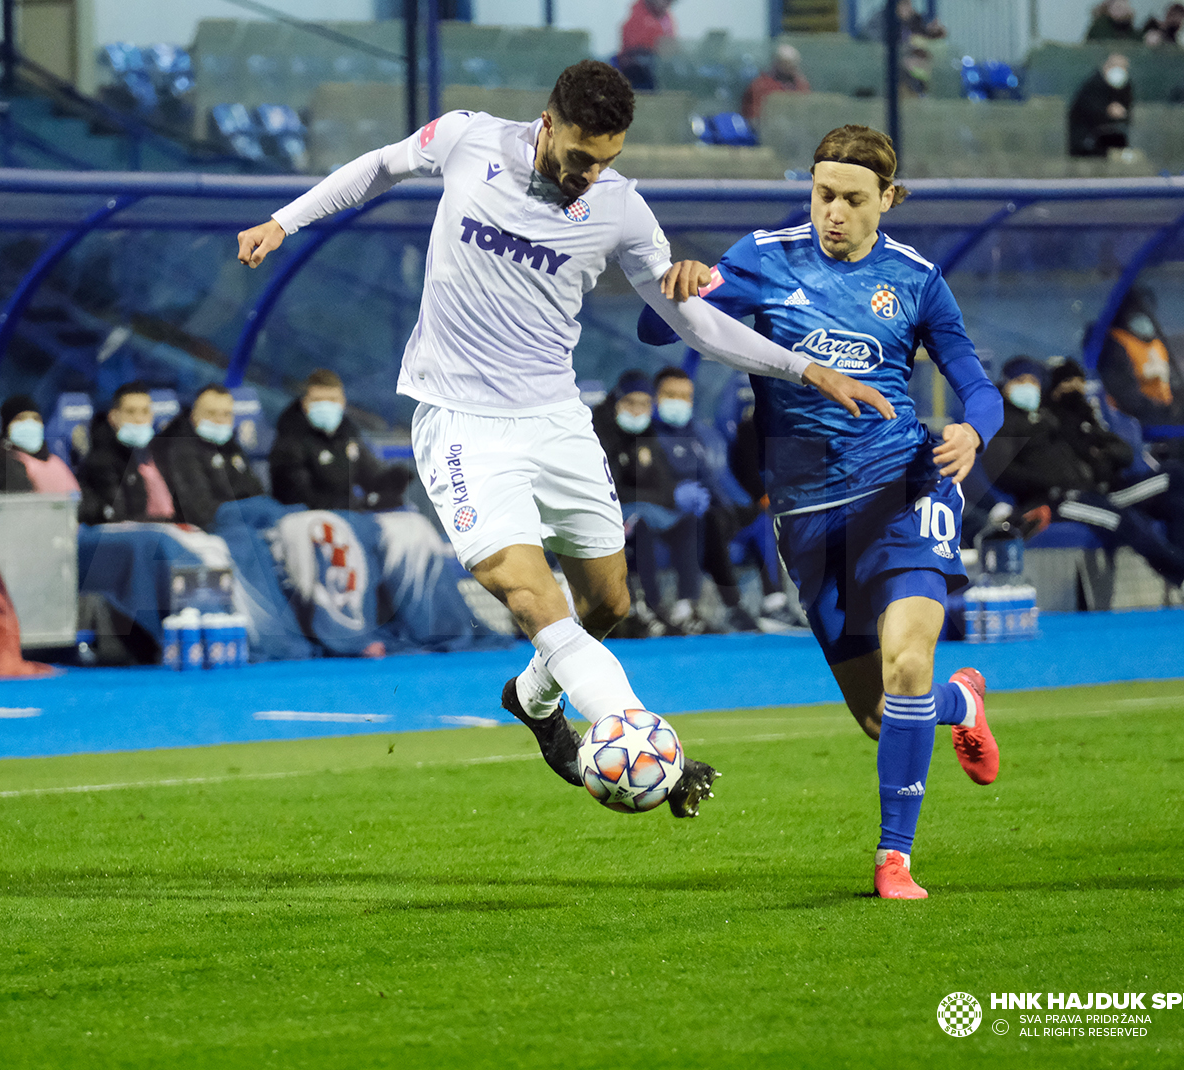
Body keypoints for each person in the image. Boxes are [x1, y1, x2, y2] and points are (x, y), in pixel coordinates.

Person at [237, 61, 892, 819]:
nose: (591, 174)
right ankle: (636, 733)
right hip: (461, 423)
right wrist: (285, 220)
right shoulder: (466, 140)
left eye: (607, 160)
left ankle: (532, 695)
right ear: (548, 126)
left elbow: (690, 321)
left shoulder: (620, 209)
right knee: (528, 592)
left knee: (608, 602)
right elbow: (380, 166)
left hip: (555, 420)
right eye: (581, 156)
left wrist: (805, 369)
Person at [639, 124, 1004, 896]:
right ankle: (962, 701)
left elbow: (975, 380)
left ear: (888, 200)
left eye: (851, 199)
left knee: (908, 660)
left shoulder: (915, 279)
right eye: (822, 194)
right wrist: (683, 280)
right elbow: (654, 327)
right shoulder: (762, 260)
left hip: (905, 485)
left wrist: (974, 427)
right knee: (880, 713)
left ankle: (893, 858)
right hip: (807, 514)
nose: (832, 212)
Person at [986, 357, 1184, 607]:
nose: (1028, 387)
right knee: (1121, 520)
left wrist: (1097, 461)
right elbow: (1005, 474)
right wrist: (1054, 485)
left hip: (1087, 492)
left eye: (1033, 381)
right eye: (1020, 381)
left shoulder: (1046, 417)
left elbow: (1112, 452)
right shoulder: (999, 421)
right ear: (1005, 383)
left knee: (1175, 497)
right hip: (1056, 501)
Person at [647, 365, 766, 632]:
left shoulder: (696, 436)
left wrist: (731, 509)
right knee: (709, 524)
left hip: (711, 513)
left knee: (758, 517)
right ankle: (730, 606)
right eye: (670, 395)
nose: (678, 402)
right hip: (671, 519)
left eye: (685, 396)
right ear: (655, 398)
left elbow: (713, 485)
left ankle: (774, 602)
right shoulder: (646, 437)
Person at [593, 370, 704, 635]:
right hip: (609, 516)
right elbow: (613, 488)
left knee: (689, 523)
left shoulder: (647, 433)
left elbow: (662, 482)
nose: (637, 410)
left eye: (644, 403)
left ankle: (685, 607)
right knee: (639, 524)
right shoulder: (599, 434)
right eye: (630, 403)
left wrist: (672, 495)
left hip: (645, 509)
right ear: (617, 402)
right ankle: (649, 608)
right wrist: (659, 498)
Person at [268, 369, 412, 514]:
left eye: (332, 400)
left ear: (343, 402)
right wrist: (354, 506)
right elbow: (299, 496)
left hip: (348, 514)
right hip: (309, 518)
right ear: (304, 403)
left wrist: (394, 480)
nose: (325, 406)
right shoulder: (290, 439)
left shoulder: (347, 433)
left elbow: (371, 476)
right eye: (318, 400)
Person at [157, 383, 265, 529]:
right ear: (194, 415)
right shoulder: (180, 449)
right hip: (205, 530)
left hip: (243, 523)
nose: (220, 420)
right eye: (211, 413)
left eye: (226, 414)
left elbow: (256, 492)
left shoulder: (231, 446)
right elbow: (200, 511)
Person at [1095, 288, 1184, 429]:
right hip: (1131, 421)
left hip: (1163, 414)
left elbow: (1173, 380)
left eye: (1147, 311)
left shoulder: (1157, 343)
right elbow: (1125, 393)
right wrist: (1160, 411)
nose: (1145, 316)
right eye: (1137, 310)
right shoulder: (1114, 345)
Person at [77, 382, 176, 525]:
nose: (139, 419)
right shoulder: (101, 460)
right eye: (130, 412)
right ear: (113, 417)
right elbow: (120, 518)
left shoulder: (161, 454)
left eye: (145, 411)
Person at [0, 395, 80, 494]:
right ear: (7, 426)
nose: (30, 424)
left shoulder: (54, 460)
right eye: (21, 419)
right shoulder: (2, 462)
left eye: (36, 419)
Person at [1069, 53, 1133, 157]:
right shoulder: (1093, 84)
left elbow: (1127, 113)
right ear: (1106, 66)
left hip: (1112, 140)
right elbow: (1087, 110)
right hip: (1086, 141)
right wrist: (1107, 110)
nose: (1120, 70)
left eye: (1123, 67)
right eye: (1115, 65)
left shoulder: (1126, 86)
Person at [741, 44, 811, 123]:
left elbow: (807, 109)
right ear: (777, 63)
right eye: (787, 63)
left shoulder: (801, 84)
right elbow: (754, 117)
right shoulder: (761, 85)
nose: (793, 67)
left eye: (795, 63)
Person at [617, 0, 678, 91]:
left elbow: (672, 45)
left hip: (658, 66)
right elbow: (634, 44)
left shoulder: (667, 19)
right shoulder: (637, 15)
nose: (667, 3)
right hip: (638, 68)